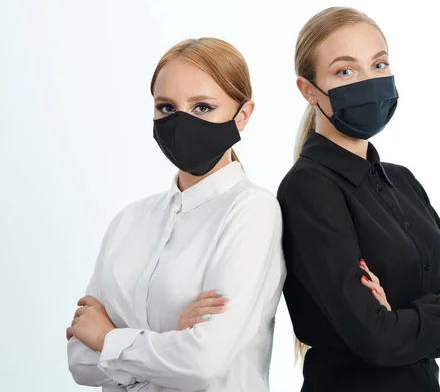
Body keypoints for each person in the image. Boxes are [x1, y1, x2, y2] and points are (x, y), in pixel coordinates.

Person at [277, 7, 440, 391]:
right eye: (345, 71)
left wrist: (405, 320)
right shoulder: (308, 189)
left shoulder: (403, 181)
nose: (369, 82)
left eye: (379, 64)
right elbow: (378, 340)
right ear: (308, 90)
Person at [66, 38, 286, 392]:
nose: (182, 122)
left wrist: (109, 339)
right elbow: (79, 361)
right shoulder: (129, 221)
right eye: (166, 108)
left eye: (202, 107)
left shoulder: (252, 211)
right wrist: (169, 338)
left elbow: (204, 363)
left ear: (242, 115)